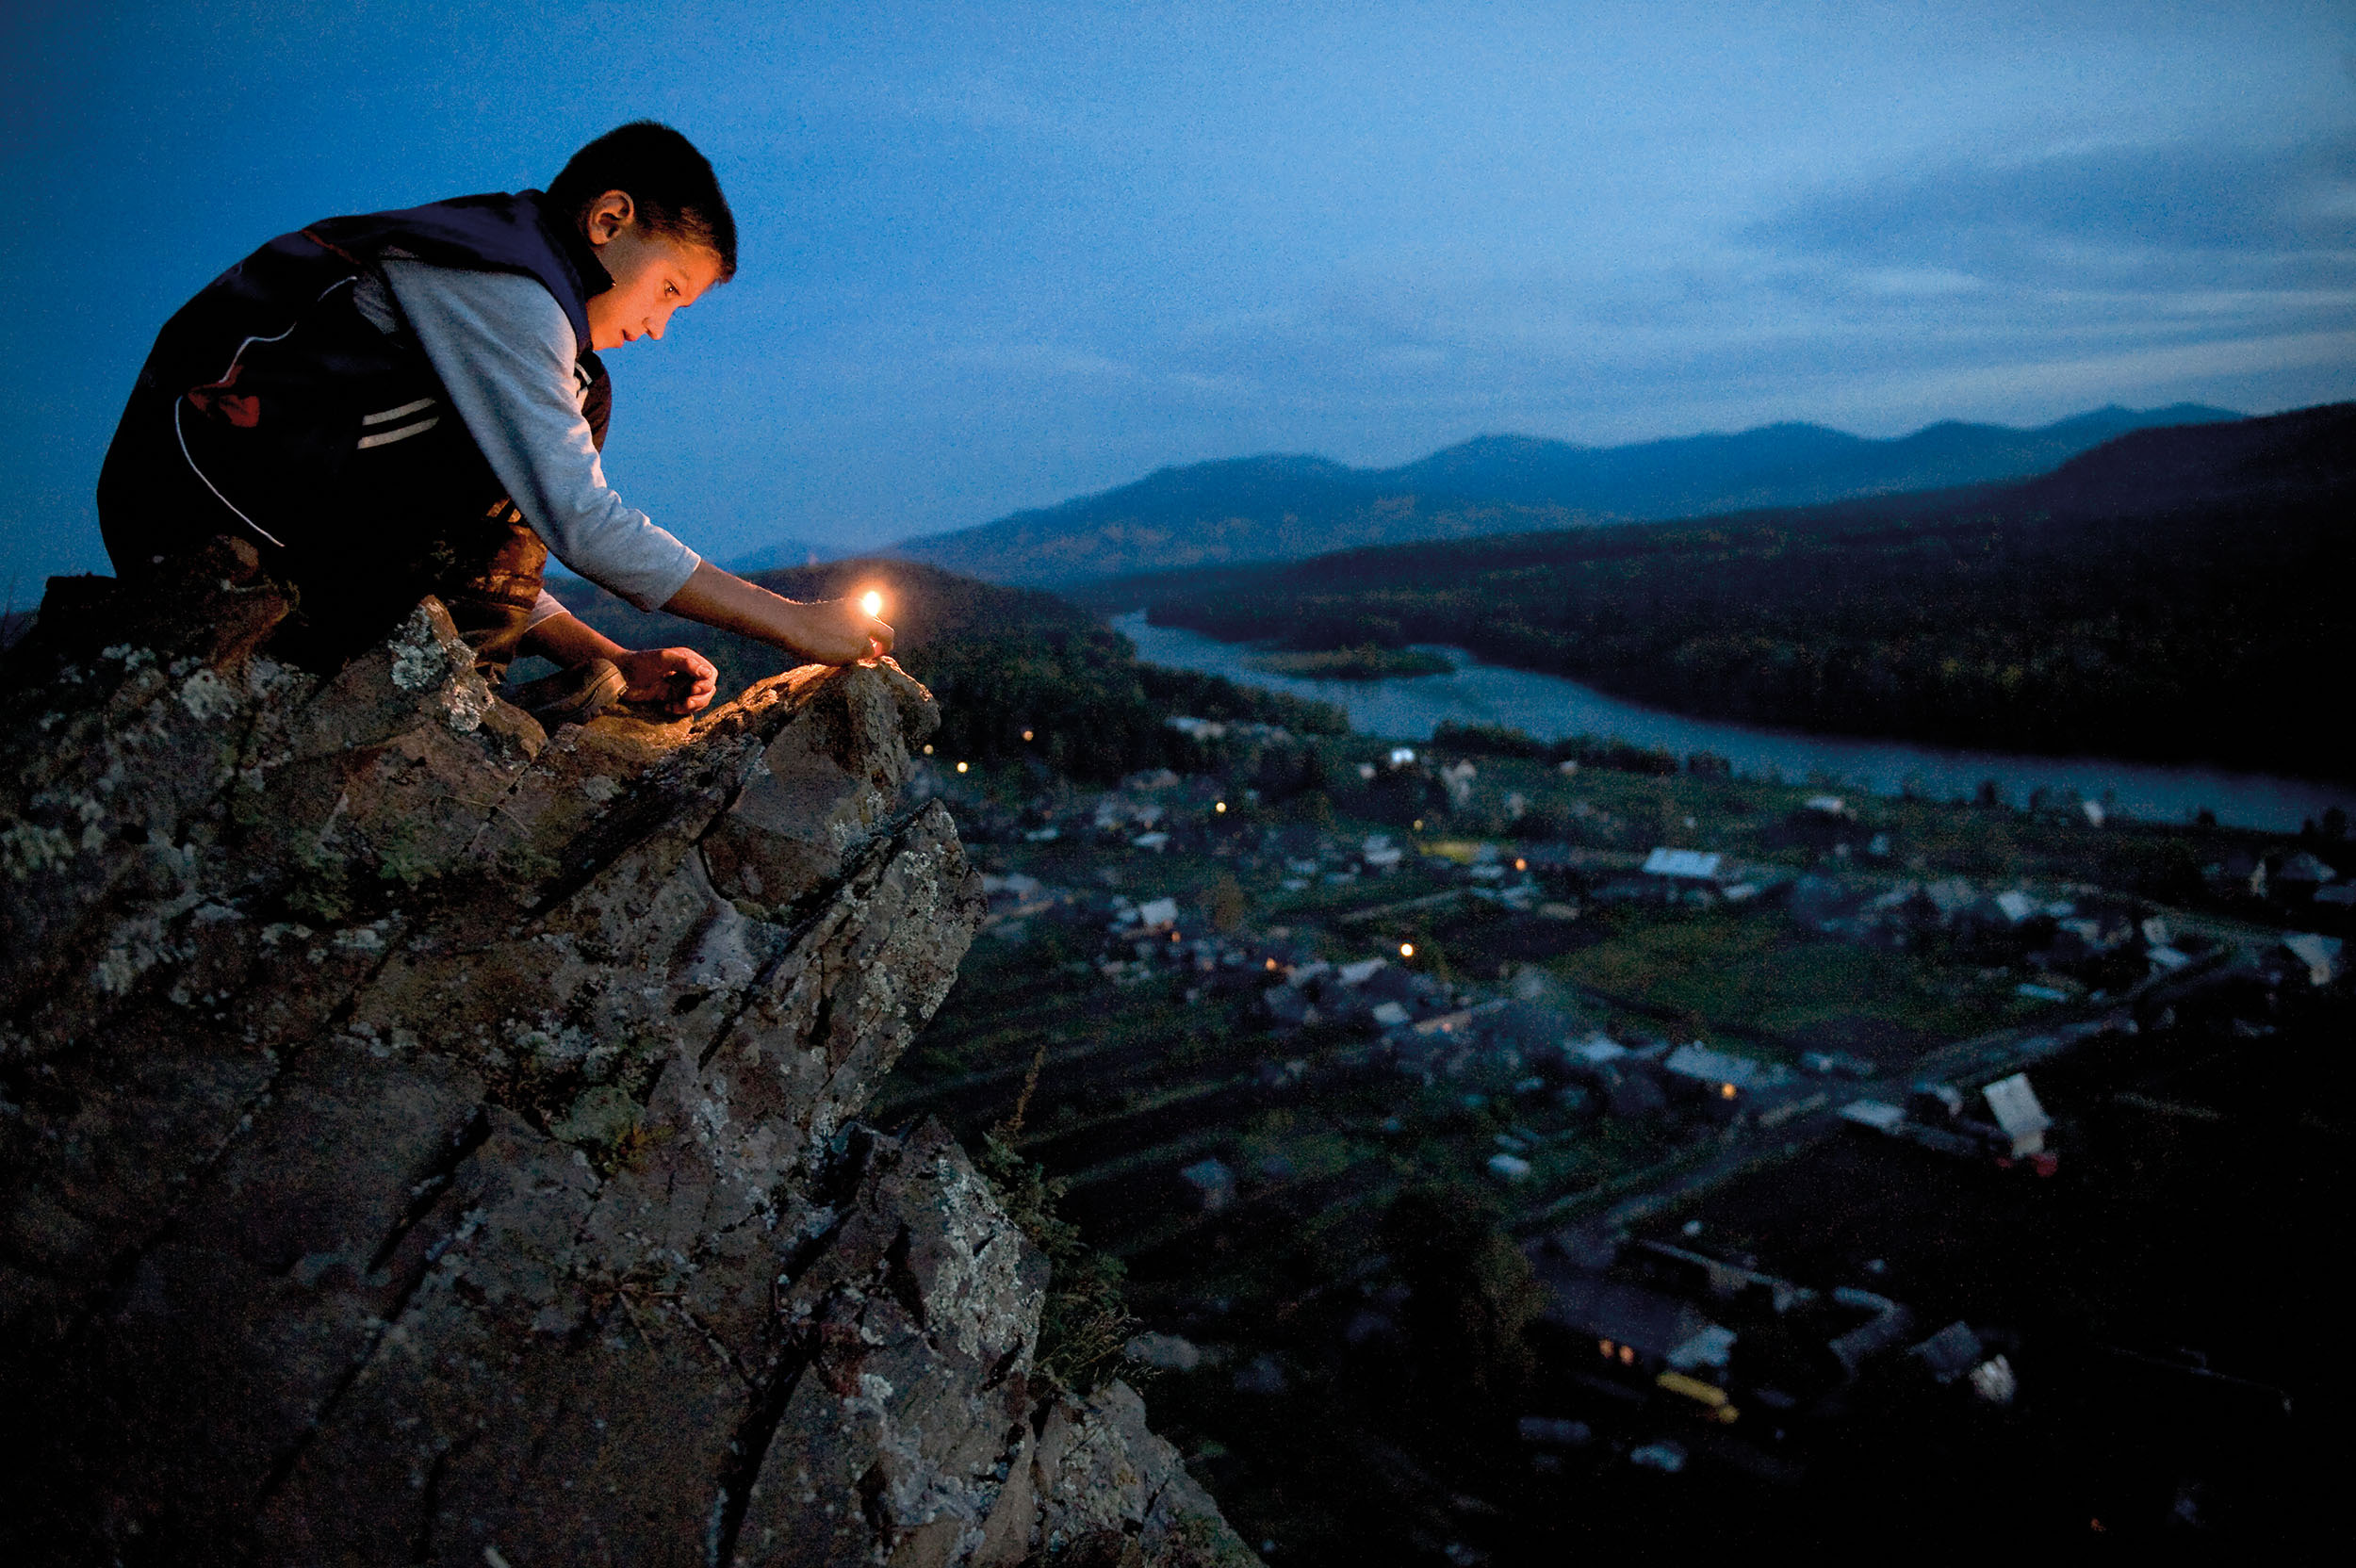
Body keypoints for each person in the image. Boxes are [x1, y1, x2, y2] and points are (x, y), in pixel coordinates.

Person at [96, 121, 890, 723]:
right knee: (581, 395)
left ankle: (456, 690)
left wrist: (608, 656)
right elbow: (578, 519)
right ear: (608, 221)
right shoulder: (503, 287)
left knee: (573, 400)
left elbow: (450, 511)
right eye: (671, 290)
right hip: (209, 519)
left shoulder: (490, 269)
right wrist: (791, 624)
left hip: (243, 503)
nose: (658, 326)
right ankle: (452, 710)